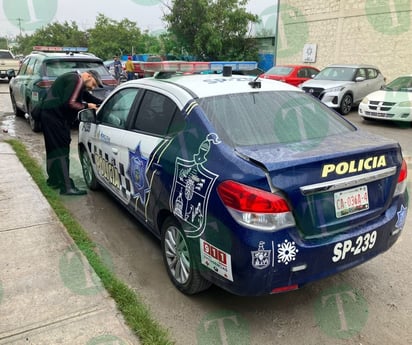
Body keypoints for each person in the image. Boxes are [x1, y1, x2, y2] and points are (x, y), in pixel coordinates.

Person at [40, 70, 103, 195]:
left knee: (53, 150)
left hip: (48, 116)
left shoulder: (73, 78)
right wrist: (87, 106)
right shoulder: (77, 80)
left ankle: (54, 180)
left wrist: (103, 102)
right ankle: (66, 187)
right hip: (55, 119)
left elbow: (86, 96)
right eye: (94, 84)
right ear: (89, 76)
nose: (93, 87)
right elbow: (70, 103)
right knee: (62, 151)